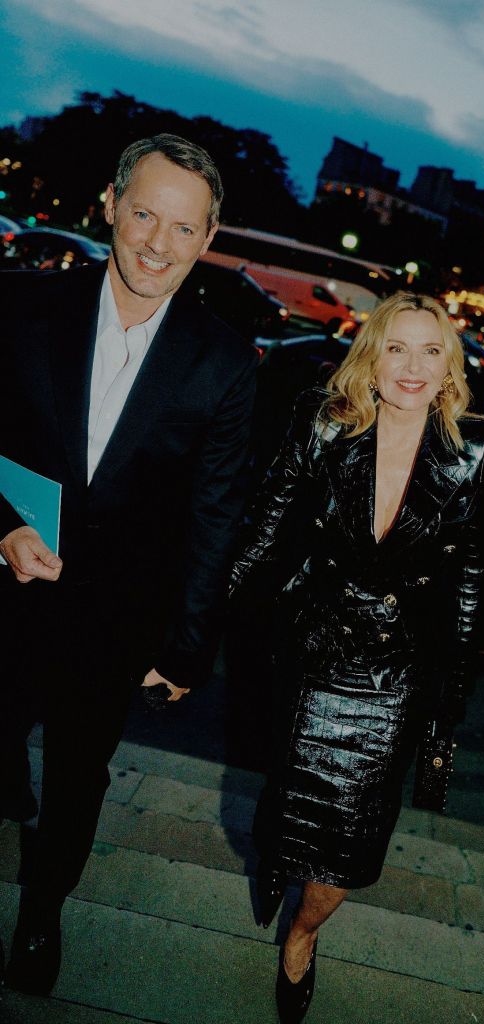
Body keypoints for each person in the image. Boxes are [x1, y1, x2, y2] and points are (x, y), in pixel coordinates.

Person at [0, 134, 258, 994]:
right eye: (144, 213)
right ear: (109, 204)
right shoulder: (21, 306)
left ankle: (42, 915)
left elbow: (214, 515)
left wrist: (188, 647)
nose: (156, 242)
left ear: (209, 237)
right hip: (2, 589)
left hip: (112, 620)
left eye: (183, 227)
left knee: (79, 776)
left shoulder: (224, 361)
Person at [230, 292, 484, 1023]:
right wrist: (199, 627)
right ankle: (281, 867)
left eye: (430, 350)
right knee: (289, 811)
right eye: (396, 348)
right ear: (371, 356)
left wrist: (455, 693)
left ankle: (303, 933)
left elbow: (473, 571)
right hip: (314, 650)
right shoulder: (324, 421)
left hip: (396, 671)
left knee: (351, 838)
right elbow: (265, 524)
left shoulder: (476, 447)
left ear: (449, 365)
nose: (412, 366)